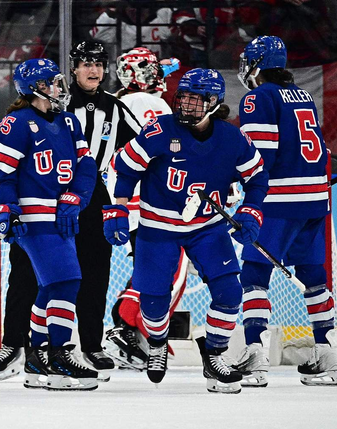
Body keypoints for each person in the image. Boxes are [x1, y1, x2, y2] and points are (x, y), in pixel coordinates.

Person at [0, 41, 143, 382]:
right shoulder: (32, 116)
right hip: (40, 201)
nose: (94, 69)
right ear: (73, 68)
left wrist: (117, 202)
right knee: (30, 274)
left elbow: (140, 151)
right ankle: (19, 344)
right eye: (86, 63)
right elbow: (5, 173)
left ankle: (86, 344)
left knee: (89, 272)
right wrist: (6, 209)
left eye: (100, 63)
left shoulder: (108, 110)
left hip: (88, 193)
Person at [106, 68, 269, 393]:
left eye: (196, 99)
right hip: (158, 228)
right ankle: (156, 343)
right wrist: (117, 209)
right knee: (153, 302)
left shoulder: (231, 137)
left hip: (207, 228)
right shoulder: (160, 130)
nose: (186, 105)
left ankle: (214, 355)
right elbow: (124, 168)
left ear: (214, 102)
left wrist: (252, 211)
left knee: (230, 293)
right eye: (183, 97)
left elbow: (257, 176)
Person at [234, 35, 337, 387]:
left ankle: (256, 355)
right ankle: (329, 353)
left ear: (257, 64)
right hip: (314, 201)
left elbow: (258, 159)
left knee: (253, 276)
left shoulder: (257, 98)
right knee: (314, 277)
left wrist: (248, 200)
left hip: (278, 202)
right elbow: (319, 150)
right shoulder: (302, 95)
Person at [0, 58, 99, 391]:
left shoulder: (69, 121)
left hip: (64, 216)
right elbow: (4, 175)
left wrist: (76, 198)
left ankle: (38, 356)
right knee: (68, 282)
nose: (60, 88)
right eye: (52, 82)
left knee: (52, 287)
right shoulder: (16, 122)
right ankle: (58, 354)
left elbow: (87, 165)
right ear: (34, 88)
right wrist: (7, 210)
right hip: (33, 217)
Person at [103, 46, 182, 370]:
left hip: (126, 199)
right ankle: (126, 325)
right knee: (168, 271)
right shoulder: (148, 103)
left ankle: (128, 328)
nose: (158, 78)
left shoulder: (119, 100)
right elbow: (168, 151)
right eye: (151, 71)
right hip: (148, 200)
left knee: (154, 268)